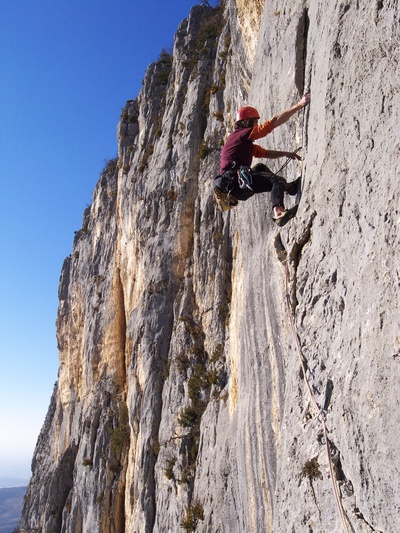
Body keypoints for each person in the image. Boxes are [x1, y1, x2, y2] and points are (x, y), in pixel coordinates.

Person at [215, 93, 310, 225]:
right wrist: (299, 105)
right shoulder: (243, 134)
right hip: (236, 181)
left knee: (260, 168)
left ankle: (290, 188)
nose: (256, 125)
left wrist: (285, 153)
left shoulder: (240, 141)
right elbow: (271, 124)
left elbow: (263, 153)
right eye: (255, 122)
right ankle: (278, 212)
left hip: (235, 185)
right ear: (247, 122)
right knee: (276, 181)